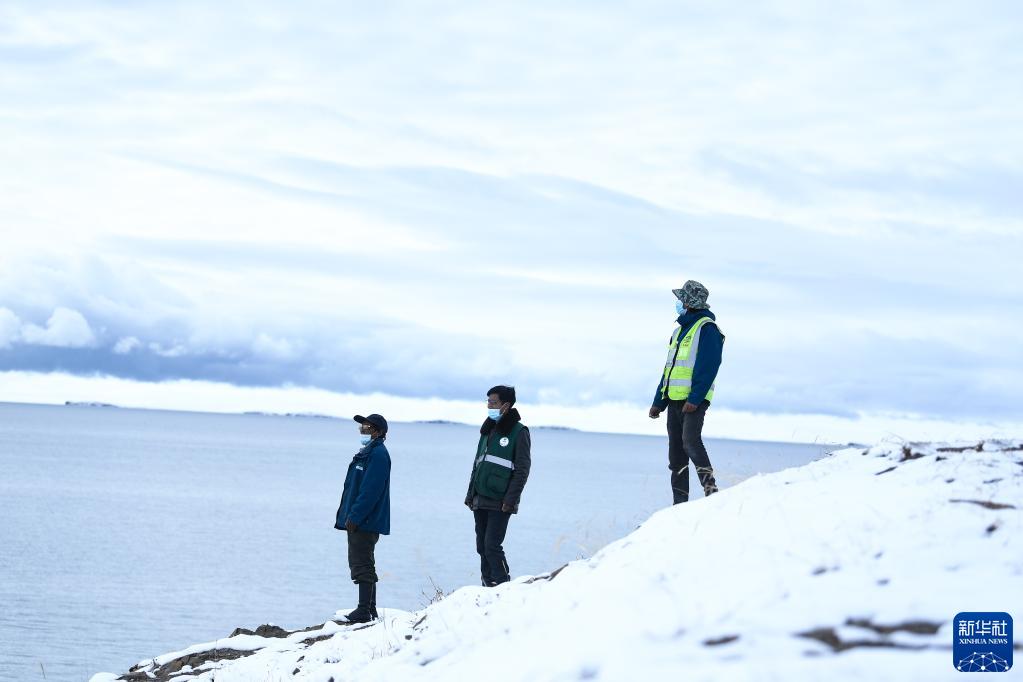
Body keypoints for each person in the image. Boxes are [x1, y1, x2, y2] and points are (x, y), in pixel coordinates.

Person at [648, 280, 725, 504]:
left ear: (689, 302)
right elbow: (669, 370)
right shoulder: (679, 331)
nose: (678, 303)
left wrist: (695, 398)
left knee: (691, 442)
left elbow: (708, 366)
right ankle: (679, 504)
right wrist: (658, 402)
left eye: (681, 299)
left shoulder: (707, 329)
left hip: (693, 401)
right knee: (676, 454)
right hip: (673, 400)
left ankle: (711, 492)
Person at [464, 385, 531, 586]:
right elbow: (477, 464)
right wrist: (470, 494)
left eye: (493, 402)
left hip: (501, 501)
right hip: (480, 497)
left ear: (505, 405)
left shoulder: (519, 432)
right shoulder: (487, 430)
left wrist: (510, 501)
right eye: (488, 402)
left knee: (492, 545)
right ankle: (487, 583)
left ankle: (503, 585)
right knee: (481, 546)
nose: (489, 406)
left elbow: (522, 470)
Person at [334, 413, 391, 622]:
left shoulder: (378, 455)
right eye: (361, 427)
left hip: (365, 520)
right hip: (361, 518)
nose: (361, 430)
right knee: (364, 561)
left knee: (361, 563)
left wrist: (355, 516)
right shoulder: (368, 452)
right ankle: (370, 609)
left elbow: (371, 491)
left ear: (377, 431)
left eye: (366, 427)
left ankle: (363, 610)